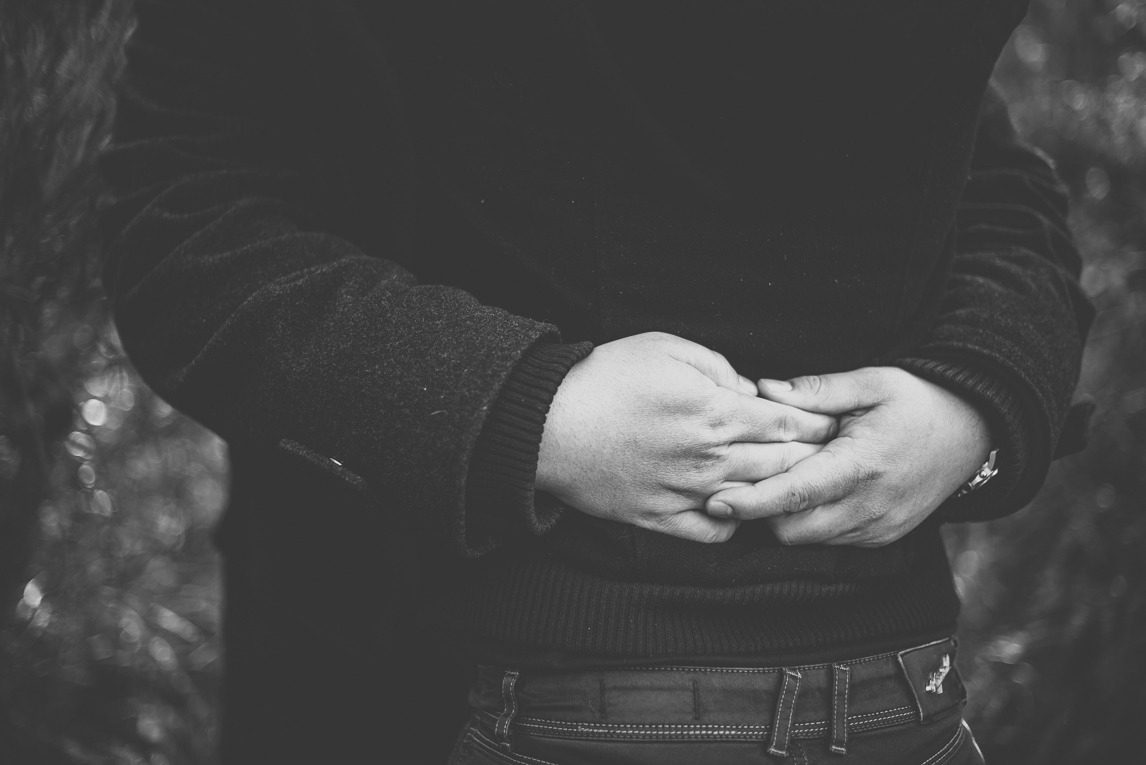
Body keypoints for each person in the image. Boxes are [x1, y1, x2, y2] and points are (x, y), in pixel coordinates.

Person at [100, 0, 1093, 762]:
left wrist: (974, 404)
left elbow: (985, 167)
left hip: (905, 693)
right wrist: (530, 409)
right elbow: (184, 212)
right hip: (474, 669)